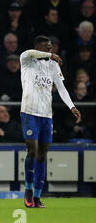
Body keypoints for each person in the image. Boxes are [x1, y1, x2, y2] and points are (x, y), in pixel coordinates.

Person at [19, 35, 81, 208]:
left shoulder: (53, 65)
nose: (49, 50)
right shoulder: (27, 60)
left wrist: (72, 106)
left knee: (42, 154)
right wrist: (47, 55)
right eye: (45, 47)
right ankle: (29, 189)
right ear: (38, 47)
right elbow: (29, 52)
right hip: (29, 112)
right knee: (32, 150)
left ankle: (37, 197)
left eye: (50, 47)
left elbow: (61, 88)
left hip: (46, 115)